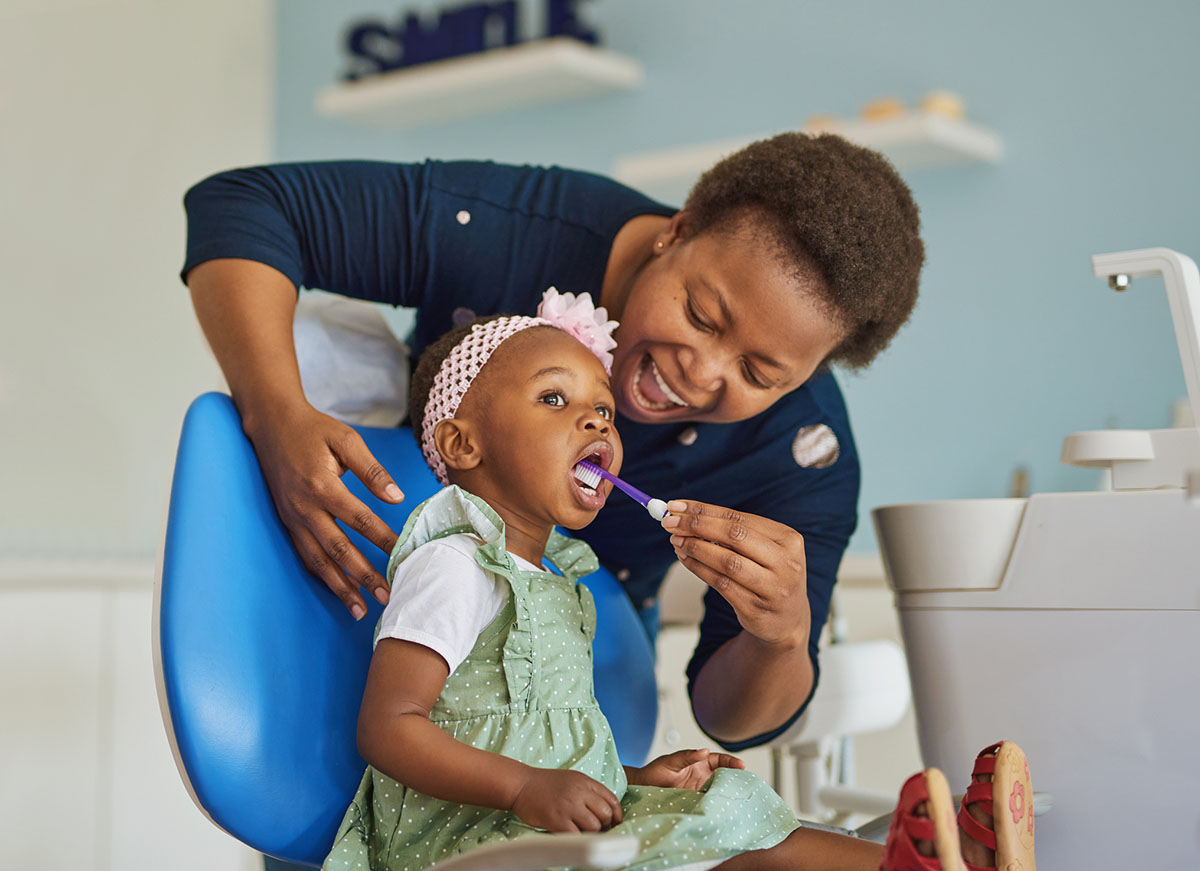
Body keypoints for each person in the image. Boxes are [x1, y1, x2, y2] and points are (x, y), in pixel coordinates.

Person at [181, 133, 923, 758]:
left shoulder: (804, 458)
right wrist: (276, 415)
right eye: (700, 313)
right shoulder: (512, 228)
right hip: (360, 604)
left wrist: (782, 636)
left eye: (759, 373)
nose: (700, 373)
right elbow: (245, 205)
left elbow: (732, 720)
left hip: (571, 703)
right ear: (678, 228)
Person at [321, 296, 1037, 871]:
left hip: (541, 826)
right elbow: (390, 728)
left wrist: (632, 777)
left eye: (601, 407)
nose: (594, 418)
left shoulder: (562, 582)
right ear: (462, 444)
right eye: (553, 400)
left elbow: (544, 742)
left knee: (723, 804)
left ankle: (940, 859)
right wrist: (526, 788)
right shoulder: (454, 565)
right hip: (467, 842)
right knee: (720, 836)